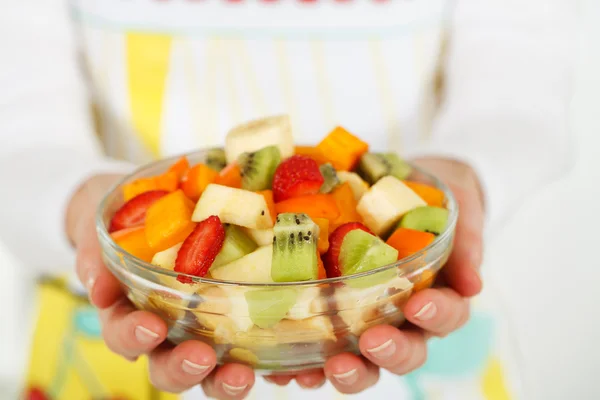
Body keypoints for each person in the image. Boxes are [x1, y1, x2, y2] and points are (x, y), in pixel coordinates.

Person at [0, 0, 575, 399]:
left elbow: (521, 98)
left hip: (407, 299)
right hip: (127, 317)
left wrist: (466, 178)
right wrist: (78, 206)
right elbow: (19, 141)